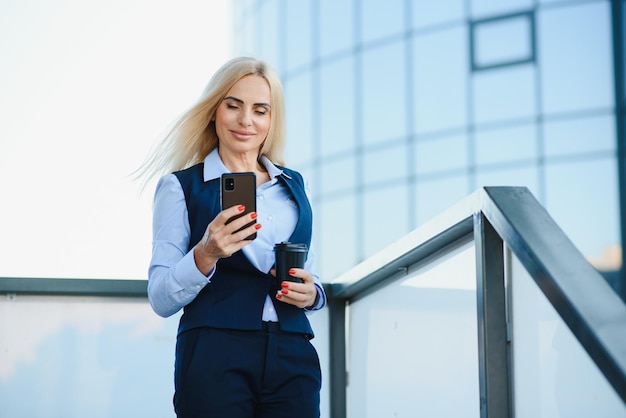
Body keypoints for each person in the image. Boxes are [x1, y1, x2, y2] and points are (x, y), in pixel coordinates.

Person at [139, 57, 326, 418]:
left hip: (293, 351)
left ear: (272, 121)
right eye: (233, 105)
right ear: (214, 111)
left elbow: (312, 271)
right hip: (214, 351)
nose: (246, 121)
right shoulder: (180, 188)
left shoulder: (293, 186)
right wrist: (205, 254)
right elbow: (160, 297)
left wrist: (313, 294)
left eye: (260, 110)